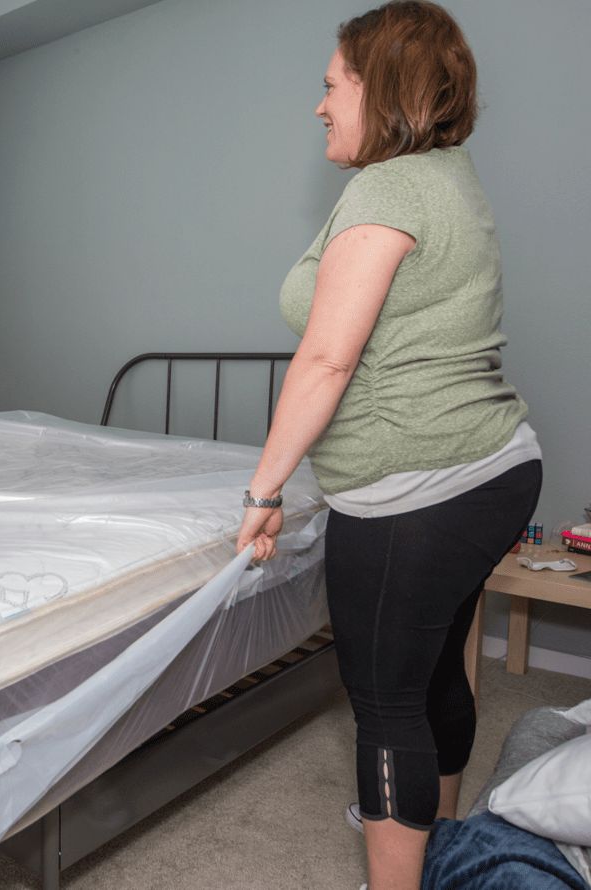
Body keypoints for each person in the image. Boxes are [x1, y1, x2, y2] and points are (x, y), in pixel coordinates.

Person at [235, 3, 543, 889]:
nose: (320, 105)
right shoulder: (449, 175)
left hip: (420, 492)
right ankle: (436, 833)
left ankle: (397, 865)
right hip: (493, 470)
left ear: (382, 85)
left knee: (385, 704)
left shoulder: (390, 188)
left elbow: (327, 357)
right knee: (434, 666)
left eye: (332, 85)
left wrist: (263, 491)